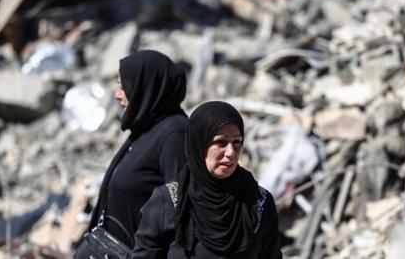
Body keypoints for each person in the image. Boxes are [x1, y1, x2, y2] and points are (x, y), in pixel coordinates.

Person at [132, 101, 282, 258]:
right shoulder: (169, 201)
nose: (231, 152)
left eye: (237, 142)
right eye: (221, 142)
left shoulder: (258, 202)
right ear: (199, 144)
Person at [80, 50, 188, 250]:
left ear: (146, 86)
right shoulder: (146, 129)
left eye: (124, 86)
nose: (117, 94)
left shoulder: (175, 134)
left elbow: (180, 212)